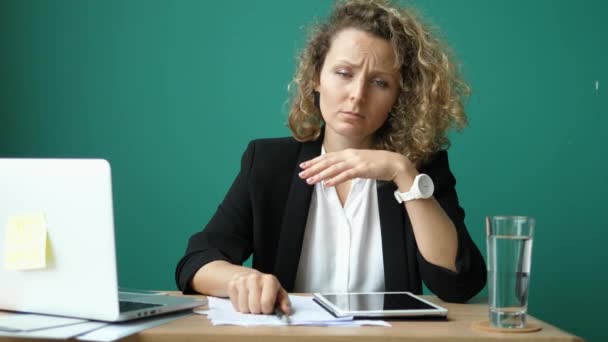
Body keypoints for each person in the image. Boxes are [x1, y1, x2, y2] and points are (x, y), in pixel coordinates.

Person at [175, 0, 486, 315]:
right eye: (343, 73)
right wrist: (241, 279)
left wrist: (402, 172)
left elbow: (460, 284)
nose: (357, 94)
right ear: (316, 77)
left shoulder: (421, 169)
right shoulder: (269, 162)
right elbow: (195, 262)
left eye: (380, 82)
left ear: (399, 96)